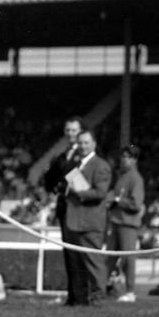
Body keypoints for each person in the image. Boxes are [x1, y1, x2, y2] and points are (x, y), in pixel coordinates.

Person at [60, 129, 111, 306]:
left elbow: (100, 192)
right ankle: (80, 301)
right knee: (77, 266)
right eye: (80, 143)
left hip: (90, 223)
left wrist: (78, 192)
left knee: (94, 264)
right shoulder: (75, 165)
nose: (82, 146)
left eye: (86, 142)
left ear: (94, 144)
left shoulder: (101, 165)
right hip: (74, 222)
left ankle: (98, 301)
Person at [104, 144, 145, 303]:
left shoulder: (135, 178)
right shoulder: (122, 176)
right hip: (117, 221)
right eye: (122, 156)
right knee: (109, 258)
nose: (123, 159)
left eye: (127, 156)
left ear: (134, 159)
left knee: (128, 258)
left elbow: (136, 204)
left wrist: (118, 200)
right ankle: (100, 288)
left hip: (127, 223)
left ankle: (130, 291)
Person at [43, 116, 84, 228]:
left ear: (81, 132)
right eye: (68, 130)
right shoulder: (62, 155)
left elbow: (82, 183)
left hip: (78, 207)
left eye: (74, 130)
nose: (70, 133)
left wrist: (65, 185)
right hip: (63, 207)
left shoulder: (85, 154)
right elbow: (52, 178)